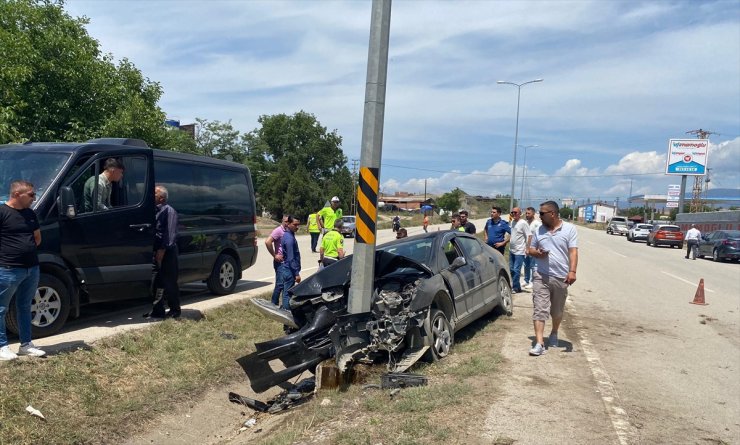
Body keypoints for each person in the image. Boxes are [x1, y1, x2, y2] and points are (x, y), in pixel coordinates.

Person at [0, 180, 46, 360]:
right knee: (1, 308)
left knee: (25, 306)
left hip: (31, 268)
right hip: (8, 269)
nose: (34, 198)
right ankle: (2, 346)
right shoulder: (2, 212)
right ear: (17, 194)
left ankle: (26, 344)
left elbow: (37, 237)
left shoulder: (30, 213)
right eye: (31, 195)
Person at [527, 201, 578, 356]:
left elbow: (573, 252)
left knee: (556, 312)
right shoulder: (539, 230)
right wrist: (538, 253)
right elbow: (530, 249)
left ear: (552, 214)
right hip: (541, 275)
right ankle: (540, 343)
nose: (539, 216)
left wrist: (572, 271)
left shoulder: (569, 229)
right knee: (539, 309)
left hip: (561, 277)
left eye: (542, 213)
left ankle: (554, 332)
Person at [145, 185, 181, 319]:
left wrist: (162, 250)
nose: (151, 196)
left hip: (167, 252)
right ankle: (157, 310)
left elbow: (170, 234)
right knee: (156, 283)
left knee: (170, 282)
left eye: (154, 194)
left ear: (161, 198)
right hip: (156, 252)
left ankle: (174, 310)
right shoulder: (153, 211)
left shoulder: (169, 211)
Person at [277, 216, 302, 310]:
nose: (297, 227)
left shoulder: (288, 235)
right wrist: (296, 274)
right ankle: (286, 314)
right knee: (287, 294)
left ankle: (284, 309)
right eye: (295, 224)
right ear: (288, 224)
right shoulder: (289, 239)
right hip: (290, 271)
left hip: (287, 268)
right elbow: (291, 258)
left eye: (298, 225)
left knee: (286, 293)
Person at [265, 215, 288, 306]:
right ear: (282, 221)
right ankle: (273, 304)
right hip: (280, 262)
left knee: (285, 284)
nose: (286, 223)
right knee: (280, 284)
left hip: (286, 261)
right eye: (285, 221)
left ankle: (283, 305)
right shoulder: (278, 230)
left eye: (288, 221)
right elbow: (267, 242)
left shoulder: (288, 231)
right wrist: (274, 255)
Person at [508, 207, 531, 293]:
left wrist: (527, 248)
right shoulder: (513, 222)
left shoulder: (523, 223)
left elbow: (529, 235)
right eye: (512, 212)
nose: (514, 214)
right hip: (511, 250)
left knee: (516, 270)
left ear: (520, 213)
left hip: (519, 251)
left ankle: (514, 287)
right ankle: (517, 287)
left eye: (515, 212)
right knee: (511, 269)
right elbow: (512, 234)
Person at [523, 207, 542, 290]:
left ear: (533, 214)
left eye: (529, 213)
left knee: (532, 265)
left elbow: (540, 237)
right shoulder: (525, 223)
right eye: (526, 213)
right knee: (526, 265)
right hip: (525, 247)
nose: (527, 215)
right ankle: (526, 280)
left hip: (533, 248)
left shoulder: (537, 224)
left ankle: (532, 281)